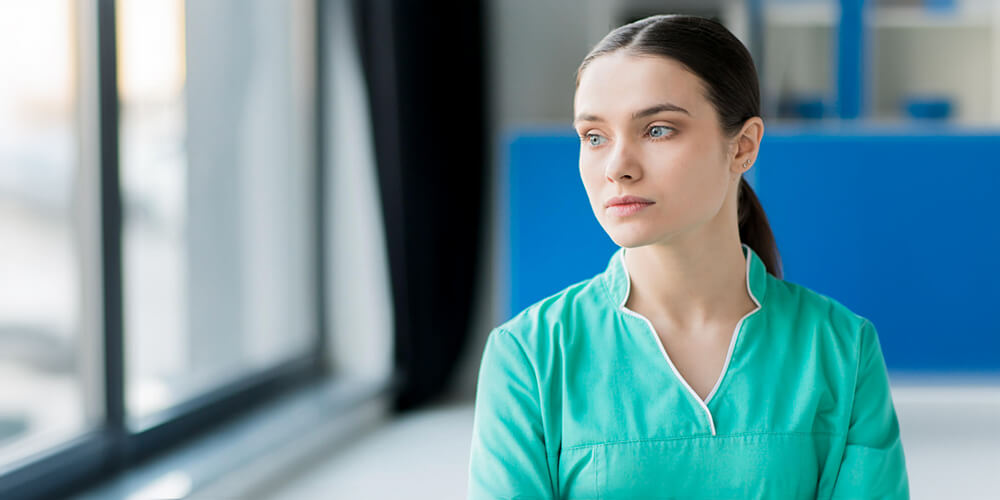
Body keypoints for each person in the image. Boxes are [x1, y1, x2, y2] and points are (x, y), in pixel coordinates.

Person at [467, 13, 909, 500]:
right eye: (595, 137)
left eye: (657, 130)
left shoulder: (841, 349)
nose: (617, 167)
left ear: (743, 146)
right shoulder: (529, 355)